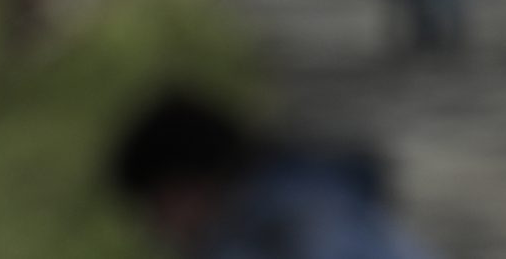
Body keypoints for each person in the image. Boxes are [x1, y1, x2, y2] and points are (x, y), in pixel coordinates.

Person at [111, 91, 433, 259]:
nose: (156, 228)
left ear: (188, 187)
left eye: (157, 206)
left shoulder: (291, 223)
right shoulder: (300, 195)